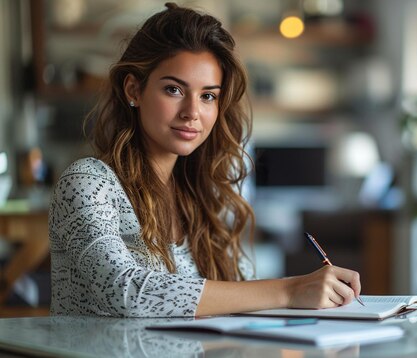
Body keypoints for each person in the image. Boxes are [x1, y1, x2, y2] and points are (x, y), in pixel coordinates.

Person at [48, 2, 361, 317]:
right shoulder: (88, 182)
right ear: (134, 89)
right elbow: (124, 292)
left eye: (208, 96)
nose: (192, 113)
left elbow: (240, 296)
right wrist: (290, 290)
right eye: (173, 90)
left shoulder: (203, 199)